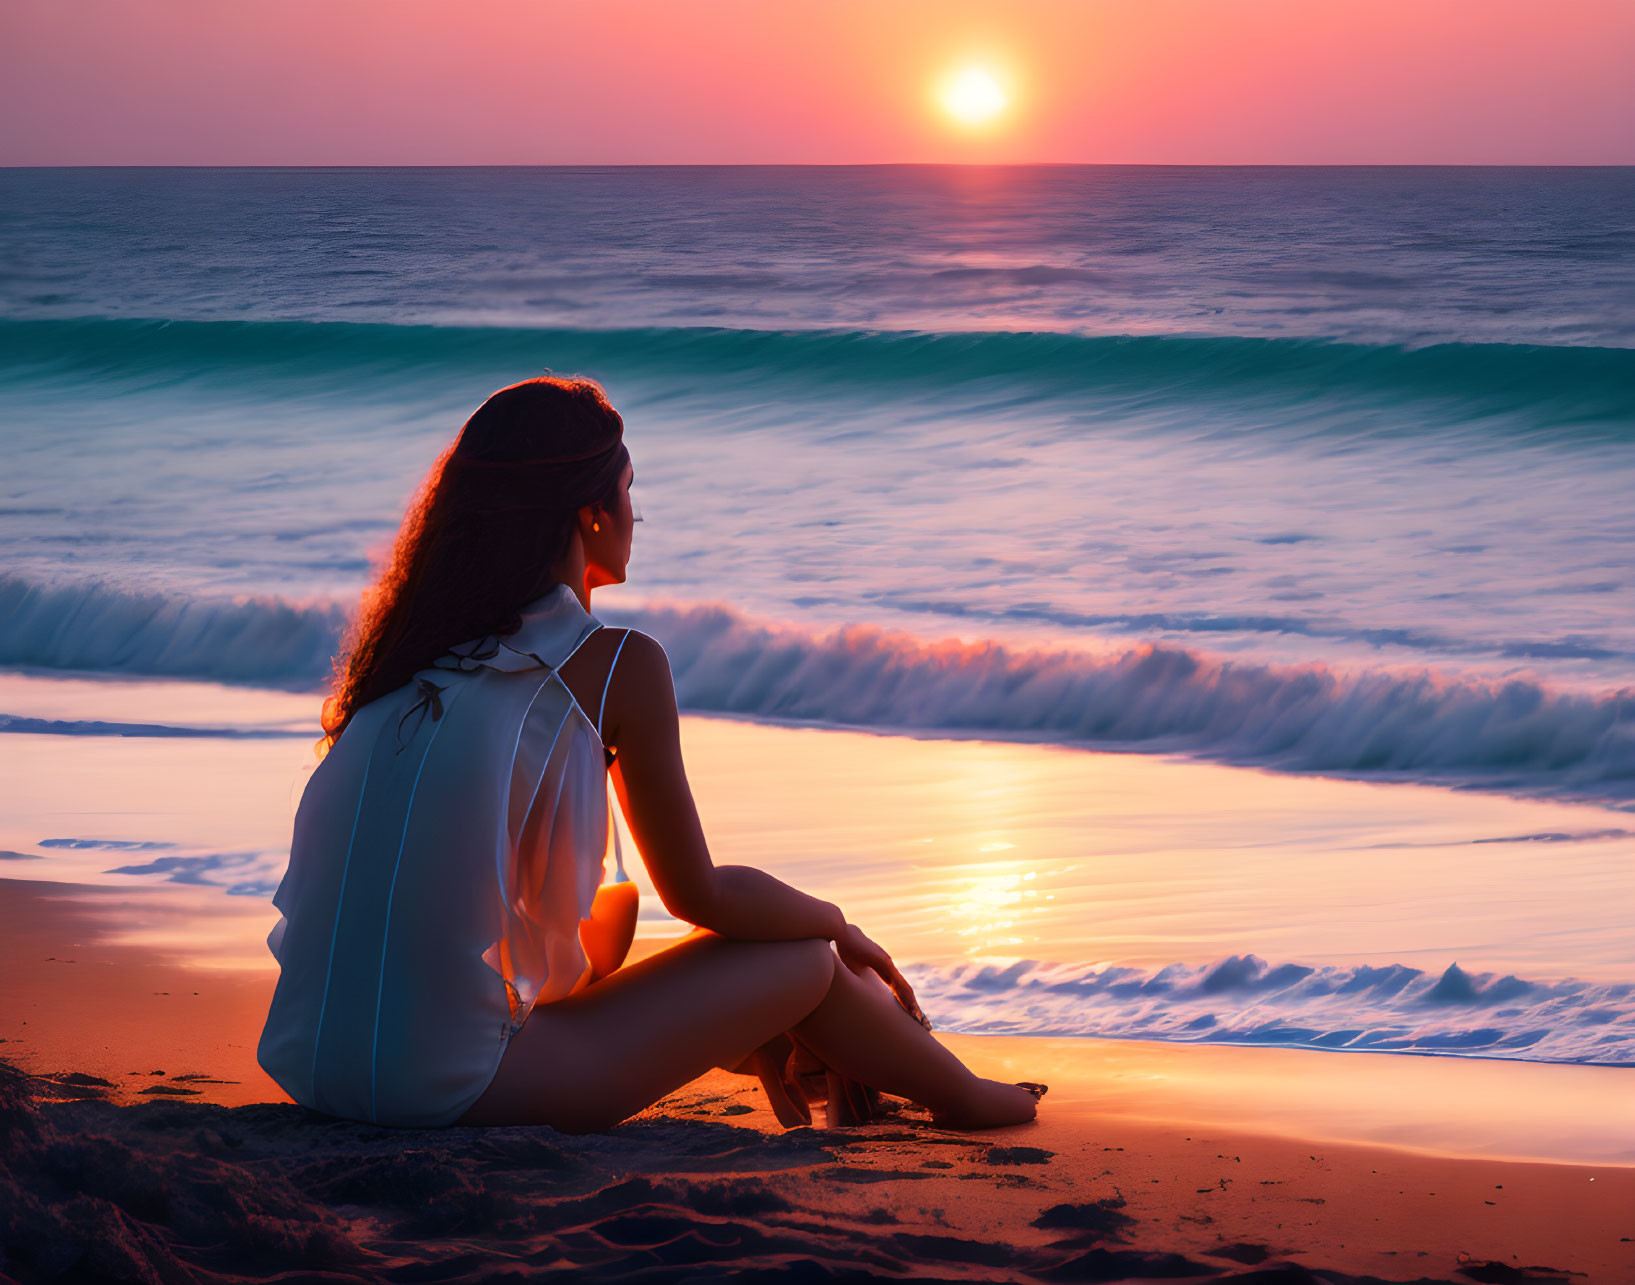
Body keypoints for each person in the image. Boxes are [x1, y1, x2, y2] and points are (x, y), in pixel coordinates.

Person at [256, 376, 1045, 1134]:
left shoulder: (405, 668)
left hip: (314, 1065)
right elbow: (700, 892)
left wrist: (727, 1017)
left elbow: (559, 948)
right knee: (802, 957)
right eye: (630, 494)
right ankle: (965, 1096)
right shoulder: (616, 664)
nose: (638, 516)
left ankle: (829, 1052)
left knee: (735, 965)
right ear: (591, 514)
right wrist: (838, 925)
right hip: (439, 1088)